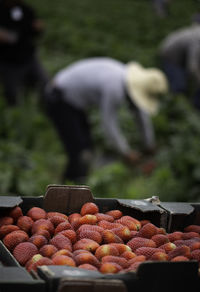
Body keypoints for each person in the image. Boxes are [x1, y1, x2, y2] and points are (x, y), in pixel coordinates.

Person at [44, 57, 168, 183]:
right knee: (81, 152)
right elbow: (109, 124)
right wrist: (125, 152)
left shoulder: (124, 78)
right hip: (59, 97)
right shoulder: (114, 87)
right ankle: (67, 192)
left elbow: (140, 114)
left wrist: (149, 144)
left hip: (74, 103)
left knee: (86, 149)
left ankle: (74, 189)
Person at [0, 0, 49, 106]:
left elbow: (34, 32)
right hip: (9, 62)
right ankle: (14, 115)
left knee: (44, 84)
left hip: (29, 57)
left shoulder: (26, 9)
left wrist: (38, 29)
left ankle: (45, 108)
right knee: (12, 94)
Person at [159, 17, 200, 109]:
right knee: (178, 85)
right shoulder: (198, 38)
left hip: (179, 53)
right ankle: (173, 108)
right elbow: (192, 66)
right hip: (170, 55)